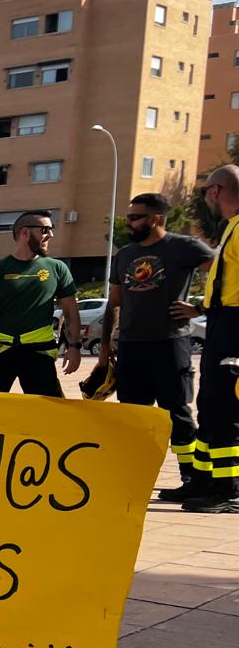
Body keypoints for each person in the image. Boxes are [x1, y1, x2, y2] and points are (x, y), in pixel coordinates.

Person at [98, 193, 214, 501]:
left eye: (136, 217)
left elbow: (225, 271)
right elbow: (115, 302)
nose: (129, 222)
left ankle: (192, 478)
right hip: (131, 346)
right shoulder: (124, 254)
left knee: (177, 414)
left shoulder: (183, 247)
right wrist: (105, 348)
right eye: (129, 216)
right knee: (134, 417)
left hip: (169, 342)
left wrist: (200, 308)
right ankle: (132, 478)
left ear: (156, 219)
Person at [175, 165, 239, 513]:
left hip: (234, 329)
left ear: (215, 191)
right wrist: (201, 308)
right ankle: (202, 482)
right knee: (211, 405)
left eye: (204, 193)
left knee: (228, 407)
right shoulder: (233, 228)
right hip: (221, 322)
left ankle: (229, 490)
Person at [0, 211, 82, 395]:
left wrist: (74, 346)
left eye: (51, 229)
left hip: (39, 353)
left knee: (47, 412)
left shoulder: (58, 268)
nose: (51, 235)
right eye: (45, 230)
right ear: (25, 232)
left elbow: (70, 311)